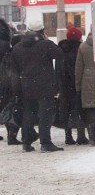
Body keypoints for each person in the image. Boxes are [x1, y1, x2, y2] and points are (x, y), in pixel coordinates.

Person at [11, 18, 64, 152]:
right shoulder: (45, 45)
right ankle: (45, 143)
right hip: (45, 85)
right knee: (45, 114)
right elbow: (59, 54)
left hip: (26, 86)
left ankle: (26, 142)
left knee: (28, 113)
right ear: (42, 31)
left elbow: (14, 68)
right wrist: (46, 41)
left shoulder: (17, 47)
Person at [55, 26, 86, 146]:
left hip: (64, 86)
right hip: (77, 85)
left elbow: (57, 69)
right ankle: (81, 136)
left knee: (66, 111)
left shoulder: (60, 49)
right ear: (79, 37)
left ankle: (68, 136)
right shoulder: (80, 49)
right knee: (79, 110)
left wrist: (58, 85)